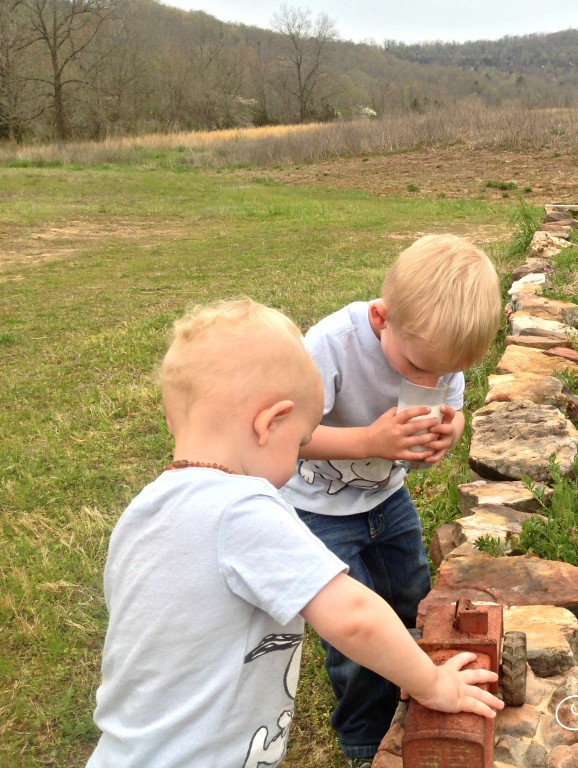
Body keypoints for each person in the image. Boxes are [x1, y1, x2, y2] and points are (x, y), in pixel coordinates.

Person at [88, 298, 502, 768]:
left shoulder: (142, 511)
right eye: (302, 439)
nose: (299, 453)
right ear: (270, 424)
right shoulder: (244, 509)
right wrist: (433, 683)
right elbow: (354, 617)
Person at [279, 235, 503, 765]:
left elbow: (454, 407)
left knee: (411, 598)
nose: (427, 382)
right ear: (381, 319)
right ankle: (365, 739)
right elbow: (290, 437)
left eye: (442, 373)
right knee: (354, 637)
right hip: (319, 511)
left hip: (387, 502)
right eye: (415, 367)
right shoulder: (331, 345)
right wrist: (368, 443)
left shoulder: (436, 349)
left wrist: (451, 431)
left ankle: (415, 696)